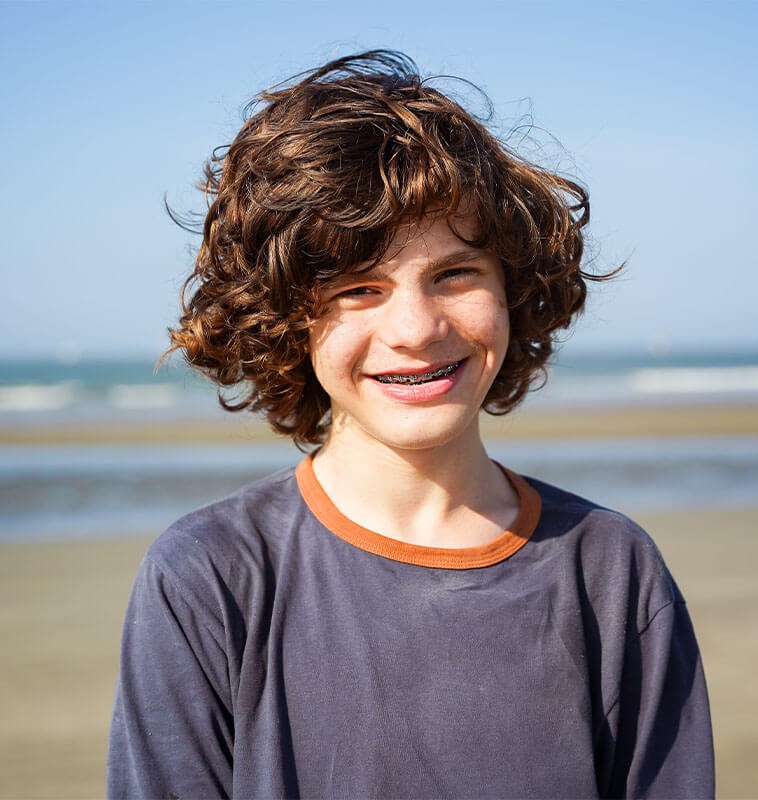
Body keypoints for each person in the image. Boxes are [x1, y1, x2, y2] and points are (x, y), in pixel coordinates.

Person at [108, 50, 714, 798]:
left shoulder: (611, 572)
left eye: (454, 274)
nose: (417, 329)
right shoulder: (208, 577)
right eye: (359, 288)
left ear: (513, 286)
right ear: (283, 318)